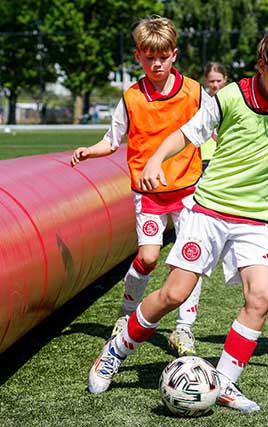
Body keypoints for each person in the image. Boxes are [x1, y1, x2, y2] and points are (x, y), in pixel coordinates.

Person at [86, 21, 268, 412]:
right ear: (263, 66)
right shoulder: (229, 97)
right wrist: (157, 159)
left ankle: (226, 381)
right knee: (173, 294)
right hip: (209, 212)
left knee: (262, 295)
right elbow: (185, 134)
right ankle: (115, 351)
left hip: (255, 219)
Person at [70, 16, 206, 354]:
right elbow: (111, 139)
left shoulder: (194, 91)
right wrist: (91, 151)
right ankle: (127, 313)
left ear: (174, 54)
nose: (156, 63)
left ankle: (184, 329)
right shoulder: (131, 97)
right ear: (138, 56)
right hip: (149, 195)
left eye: (163, 57)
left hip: (189, 190)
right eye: (149, 57)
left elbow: (214, 126)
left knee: (189, 259)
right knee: (147, 257)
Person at [163, 61, 229, 357]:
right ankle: (130, 321)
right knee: (183, 251)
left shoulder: (229, 102)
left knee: (195, 250)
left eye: (219, 80)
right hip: (194, 168)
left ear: (225, 80)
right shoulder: (201, 101)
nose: (215, 85)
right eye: (211, 81)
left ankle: (183, 325)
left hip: (218, 168)